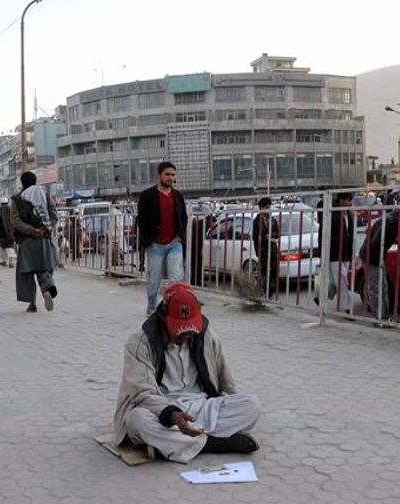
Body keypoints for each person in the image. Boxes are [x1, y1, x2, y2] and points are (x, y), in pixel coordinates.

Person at [113, 283, 261, 464]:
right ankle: (214, 443)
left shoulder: (206, 336)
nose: (186, 334)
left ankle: (172, 445)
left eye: (190, 327)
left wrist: (232, 403)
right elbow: (142, 393)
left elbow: (225, 378)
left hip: (200, 405)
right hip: (161, 409)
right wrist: (173, 415)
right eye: (179, 328)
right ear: (163, 317)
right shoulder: (139, 342)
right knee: (137, 420)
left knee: (251, 405)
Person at [136, 161, 188, 315]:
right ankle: (152, 307)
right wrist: (148, 242)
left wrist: (180, 237)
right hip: (155, 245)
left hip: (174, 243)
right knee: (154, 280)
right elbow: (141, 220)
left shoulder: (178, 196)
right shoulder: (147, 195)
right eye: (167, 174)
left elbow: (183, 218)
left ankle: (172, 307)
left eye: (173, 175)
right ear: (159, 175)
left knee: (175, 278)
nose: (170, 178)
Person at [11, 171, 59, 313]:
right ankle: (47, 290)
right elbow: (54, 215)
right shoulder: (44, 195)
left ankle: (32, 304)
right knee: (44, 269)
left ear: (22, 182)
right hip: (44, 240)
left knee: (27, 274)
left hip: (27, 241)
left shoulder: (17, 198)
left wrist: (31, 230)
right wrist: (44, 229)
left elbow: (15, 220)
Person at [359, 204, 400, 324]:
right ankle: (380, 318)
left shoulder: (391, 220)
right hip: (372, 257)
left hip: (373, 256)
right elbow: (377, 242)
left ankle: (384, 316)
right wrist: (379, 259)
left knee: (382, 287)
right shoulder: (390, 222)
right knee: (377, 288)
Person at [317, 192, 355, 313]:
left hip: (345, 254)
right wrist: (328, 195)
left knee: (336, 282)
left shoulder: (348, 214)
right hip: (333, 253)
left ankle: (320, 299)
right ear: (341, 200)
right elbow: (320, 206)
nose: (350, 203)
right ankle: (347, 308)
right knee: (342, 281)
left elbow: (349, 233)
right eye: (348, 200)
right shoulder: (330, 212)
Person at [252, 197, 280, 298]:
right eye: (267, 207)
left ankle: (270, 292)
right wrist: (259, 250)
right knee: (264, 270)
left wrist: (272, 235)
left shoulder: (272, 220)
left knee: (273, 270)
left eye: (269, 207)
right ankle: (264, 291)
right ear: (261, 208)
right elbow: (255, 237)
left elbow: (277, 233)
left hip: (272, 248)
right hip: (263, 249)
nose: (269, 209)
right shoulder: (257, 221)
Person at [0, 197, 17, 268]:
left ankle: (4, 261)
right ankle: (11, 262)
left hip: (0, 232)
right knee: (10, 246)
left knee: (2, 247)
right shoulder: (10, 209)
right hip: (9, 231)